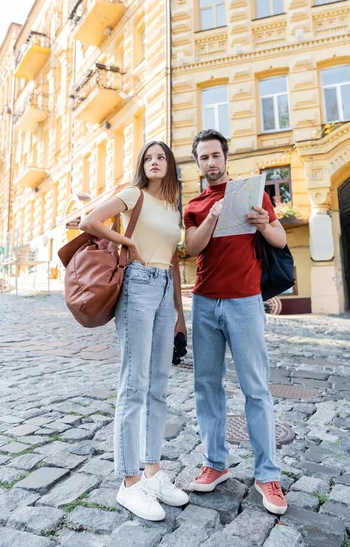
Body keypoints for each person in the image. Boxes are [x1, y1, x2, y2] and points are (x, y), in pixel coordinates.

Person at [79, 141, 188, 521]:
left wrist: (179, 311)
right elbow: (88, 221)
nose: (155, 162)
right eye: (148, 158)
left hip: (162, 291)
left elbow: (174, 260)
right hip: (138, 283)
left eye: (161, 158)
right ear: (142, 165)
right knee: (135, 382)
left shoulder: (174, 208)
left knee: (159, 384)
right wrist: (128, 243)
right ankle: (129, 483)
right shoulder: (133, 194)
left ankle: (153, 472)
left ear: (170, 165)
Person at [183, 129, 288, 515]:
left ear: (226, 158)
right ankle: (215, 464)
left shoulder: (252, 193)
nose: (210, 163)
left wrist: (263, 222)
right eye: (203, 158)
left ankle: (268, 475)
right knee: (207, 387)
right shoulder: (195, 204)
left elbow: (277, 239)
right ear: (197, 163)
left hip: (245, 301)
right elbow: (192, 249)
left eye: (215, 156)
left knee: (256, 388)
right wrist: (211, 216)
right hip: (206, 302)